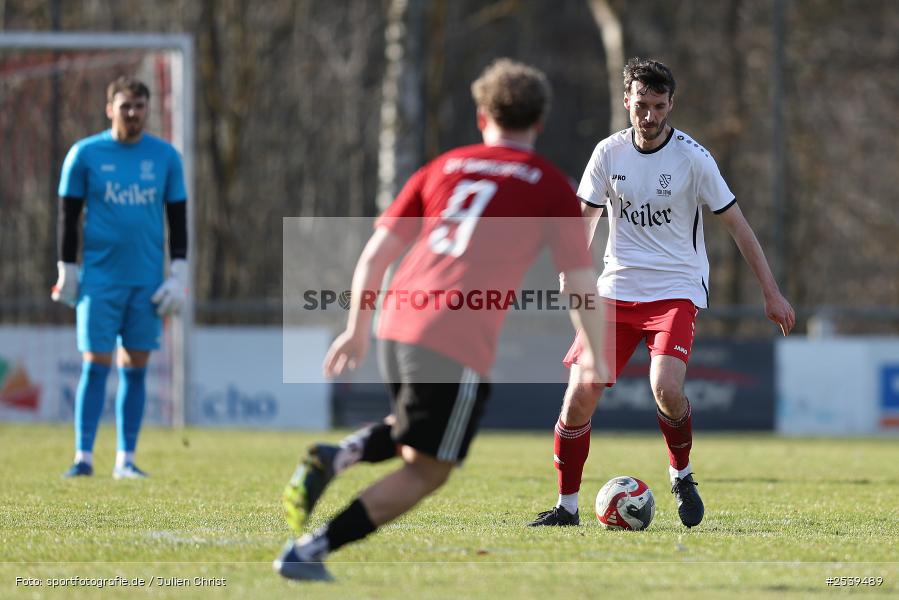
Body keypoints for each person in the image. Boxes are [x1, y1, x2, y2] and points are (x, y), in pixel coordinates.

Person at [274, 58, 608, 582]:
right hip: (453, 335)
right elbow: (581, 282)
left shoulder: (444, 166)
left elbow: (375, 255)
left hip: (396, 323)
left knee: (417, 431)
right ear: (539, 122)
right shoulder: (548, 184)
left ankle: (336, 455)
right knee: (429, 468)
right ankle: (310, 550)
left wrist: (357, 328)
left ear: (481, 117)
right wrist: (596, 352)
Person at [527, 57, 795, 529]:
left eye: (658, 106)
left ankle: (681, 475)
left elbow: (738, 225)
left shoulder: (693, 158)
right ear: (626, 100)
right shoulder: (608, 153)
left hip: (676, 287)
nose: (649, 117)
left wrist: (771, 293)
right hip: (615, 289)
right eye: (640, 106)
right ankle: (567, 508)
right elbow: (583, 220)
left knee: (665, 388)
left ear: (670, 104)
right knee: (578, 397)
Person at [53, 76, 188, 479]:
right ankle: (83, 457)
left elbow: (178, 218)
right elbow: (68, 216)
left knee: (136, 367)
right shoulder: (85, 154)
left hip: (147, 282)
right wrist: (67, 268)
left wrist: (178, 271)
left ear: (148, 109)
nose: (133, 113)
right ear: (110, 108)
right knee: (95, 364)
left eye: (140, 106)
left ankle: (125, 460)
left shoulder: (165, 157)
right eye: (126, 106)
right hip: (99, 281)